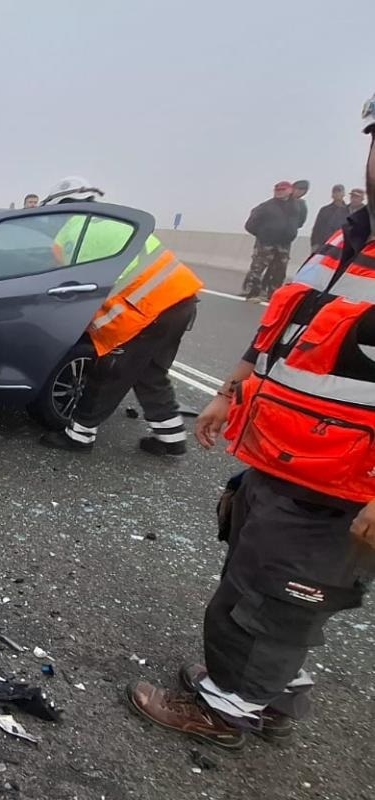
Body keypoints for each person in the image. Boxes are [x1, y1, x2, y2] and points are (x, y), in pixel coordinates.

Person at [128, 94, 375, 750]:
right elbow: (290, 323)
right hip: (284, 454)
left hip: (343, 483)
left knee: (275, 596)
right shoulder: (348, 235)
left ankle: (228, 709)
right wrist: (231, 386)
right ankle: (263, 690)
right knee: (258, 577)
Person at [36, 176, 204, 455]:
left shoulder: (69, 234)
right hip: (181, 299)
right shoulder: (117, 221)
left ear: (61, 206)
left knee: (108, 372)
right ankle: (171, 437)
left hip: (143, 310)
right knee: (149, 371)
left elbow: (68, 283)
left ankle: (79, 436)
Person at [241, 181, 300, 301]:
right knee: (258, 268)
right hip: (266, 244)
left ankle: (273, 294)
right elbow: (250, 225)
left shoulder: (295, 207)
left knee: (279, 270)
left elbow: (299, 222)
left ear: (289, 191)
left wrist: (290, 233)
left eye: (283, 190)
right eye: (277, 190)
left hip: (284, 244)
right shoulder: (266, 206)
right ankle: (252, 292)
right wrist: (263, 235)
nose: (279, 192)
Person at [309, 184, 347, 252]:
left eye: (339, 192)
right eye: (335, 192)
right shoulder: (324, 210)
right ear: (332, 195)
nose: (337, 194)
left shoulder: (348, 211)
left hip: (340, 246)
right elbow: (316, 228)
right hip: (323, 244)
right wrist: (314, 244)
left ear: (343, 194)